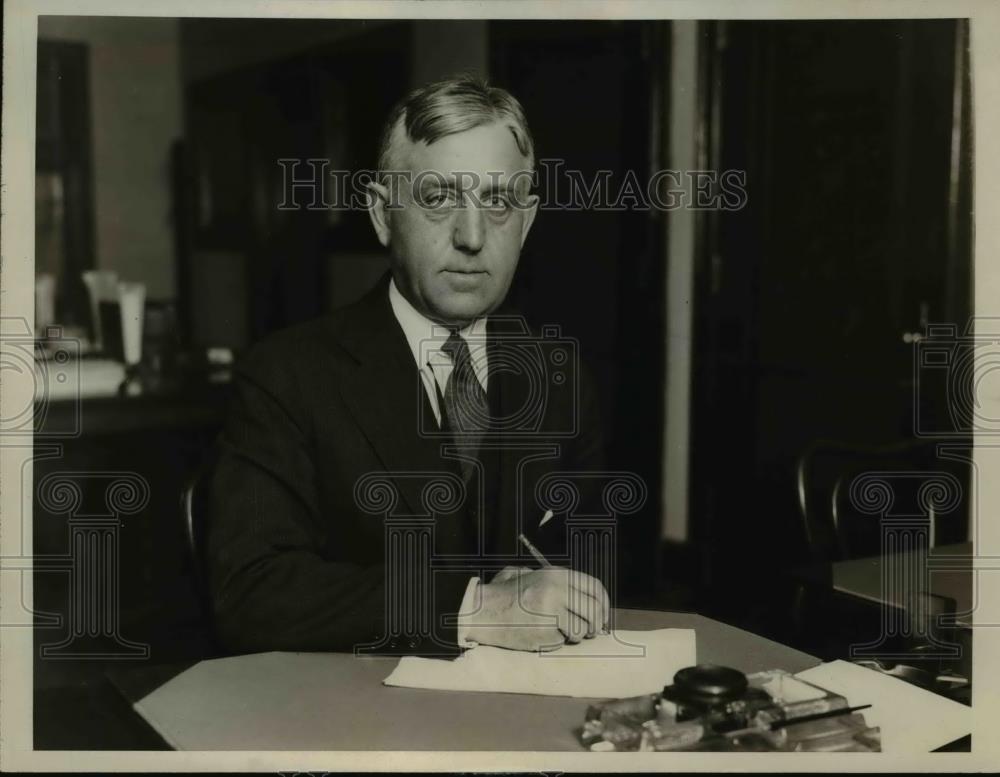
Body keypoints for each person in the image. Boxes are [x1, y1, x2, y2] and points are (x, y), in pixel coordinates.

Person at [206, 75, 610, 657]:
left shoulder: (560, 377)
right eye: (438, 197)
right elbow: (249, 593)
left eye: (497, 202)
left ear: (526, 221)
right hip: (360, 722)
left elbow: (589, 577)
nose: (472, 237)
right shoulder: (286, 376)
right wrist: (474, 609)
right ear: (380, 215)